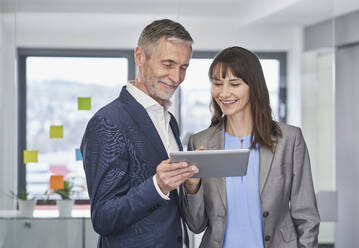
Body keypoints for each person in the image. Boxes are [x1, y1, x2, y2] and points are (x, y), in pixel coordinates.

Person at [181, 46, 320, 248]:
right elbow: (195, 225)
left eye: (234, 84)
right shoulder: (200, 143)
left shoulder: (289, 140)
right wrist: (192, 187)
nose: (224, 92)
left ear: (253, 87)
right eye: (217, 83)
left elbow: (307, 216)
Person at [81, 19, 199, 248]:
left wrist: (190, 185)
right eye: (168, 64)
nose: (177, 77)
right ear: (140, 57)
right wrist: (157, 185)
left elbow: (168, 208)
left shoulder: (169, 121)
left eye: (183, 67)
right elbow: (103, 218)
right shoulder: (107, 122)